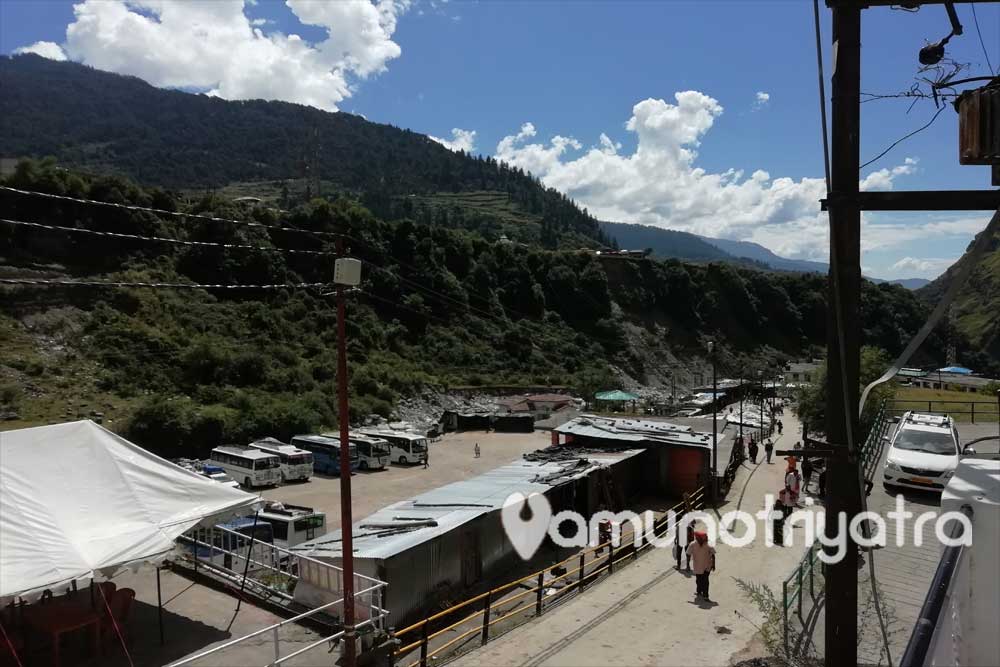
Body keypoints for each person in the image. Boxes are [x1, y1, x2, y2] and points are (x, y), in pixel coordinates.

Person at [687, 530, 716, 601]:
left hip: (703, 566)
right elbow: (713, 556)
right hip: (703, 566)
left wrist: (688, 565)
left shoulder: (693, 544)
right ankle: (699, 591)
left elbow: (688, 555)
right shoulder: (694, 544)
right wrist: (713, 565)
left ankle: (705, 595)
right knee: (700, 580)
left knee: (703, 580)